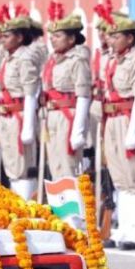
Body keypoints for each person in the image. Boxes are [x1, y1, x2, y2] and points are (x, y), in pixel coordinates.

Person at [98, 13, 135, 248]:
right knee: (119, 177)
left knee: (133, 176)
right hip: (112, 118)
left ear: (130, 39)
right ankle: (124, 227)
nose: (111, 40)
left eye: (116, 36)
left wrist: (133, 132)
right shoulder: (112, 60)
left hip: (129, 117)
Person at [40, 15, 93, 185]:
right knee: (55, 167)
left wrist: (78, 130)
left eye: (58, 36)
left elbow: (83, 95)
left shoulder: (77, 61)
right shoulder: (51, 60)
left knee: (68, 168)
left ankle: (73, 211)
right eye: (52, 36)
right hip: (52, 116)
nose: (53, 40)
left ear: (71, 39)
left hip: (68, 117)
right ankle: (60, 211)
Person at [0, 16, 41, 199]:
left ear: (20, 37)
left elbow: (31, 93)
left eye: (7, 36)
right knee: (11, 164)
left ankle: (27, 208)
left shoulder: (25, 59)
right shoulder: (8, 58)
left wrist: (28, 127)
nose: (3, 39)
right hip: (6, 117)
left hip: (19, 116)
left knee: (22, 166)